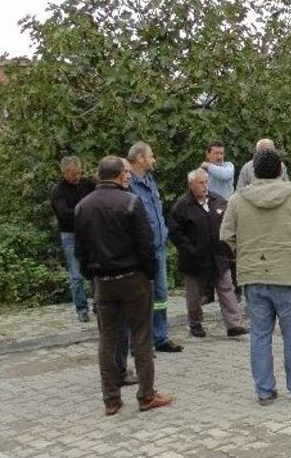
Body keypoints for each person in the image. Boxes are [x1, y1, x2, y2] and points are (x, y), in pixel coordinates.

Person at [220, 150, 291, 405]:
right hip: (289, 274)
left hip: (253, 276)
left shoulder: (236, 200)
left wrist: (241, 262)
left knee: (259, 335)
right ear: (280, 170)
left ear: (253, 172)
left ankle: (265, 391)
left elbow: (225, 240)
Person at [73, 155, 173, 416]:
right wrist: (149, 273)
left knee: (107, 339)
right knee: (141, 336)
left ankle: (111, 399)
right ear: (119, 176)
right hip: (133, 279)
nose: (128, 177)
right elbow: (145, 243)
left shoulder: (83, 206)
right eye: (125, 174)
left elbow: (80, 250)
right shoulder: (130, 202)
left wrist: (90, 274)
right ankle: (146, 395)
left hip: (102, 281)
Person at [169, 168, 248, 338]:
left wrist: (229, 246)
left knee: (227, 288)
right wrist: (190, 249)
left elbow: (230, 223)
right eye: (201, 183)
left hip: (219, 256)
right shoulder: (182, 206)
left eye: (206, 182)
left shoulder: (218, 201)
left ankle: (234, 324)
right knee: (195, 295)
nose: (205, 186)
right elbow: (176, 233)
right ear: (191, 185)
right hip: (195, 259)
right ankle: (195, 323)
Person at [127, 142, 183, 353]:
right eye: (150, 156)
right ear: (140, 158)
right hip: (140, 251)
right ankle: (140, 343)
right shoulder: (128, 184)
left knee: (160, 295)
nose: (153, 159)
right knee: (140, 297)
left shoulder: (149, 180)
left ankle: (159, 336)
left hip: (158, 248)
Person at [50, 156, 96, 322]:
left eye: (79, 173)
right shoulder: (58, 190)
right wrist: (86, 210)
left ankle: (98, 302)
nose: (77, 177)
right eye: (73, 174)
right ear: (64, 173)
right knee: (76, 274)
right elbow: (64, 213)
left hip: (89, 232)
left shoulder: (87, 184)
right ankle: (81, 308)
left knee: (95, 267)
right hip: (70, 234)